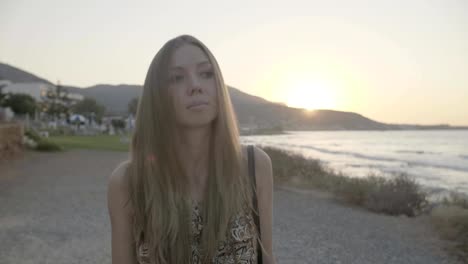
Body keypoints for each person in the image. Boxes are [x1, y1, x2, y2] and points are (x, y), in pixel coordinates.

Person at [107, 35, 276, 264]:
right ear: (158, 97)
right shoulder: (128, 182)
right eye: (176, 78)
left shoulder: (254, 166)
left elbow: (266, 258)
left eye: (206, 74)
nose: (195, 85)